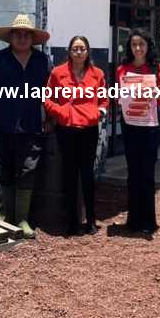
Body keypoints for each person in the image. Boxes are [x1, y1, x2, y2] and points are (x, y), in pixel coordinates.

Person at [0, 14, 51, 239]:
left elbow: (53, 92)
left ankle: (22, 220)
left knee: (28, 171)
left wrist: (51, 119)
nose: (22, 38)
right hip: (3, 127)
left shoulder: (42, 61)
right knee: (6, 171)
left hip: (32, 127)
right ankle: (8, 218)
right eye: (17, 34)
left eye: (26, 35)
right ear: (10, 37)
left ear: (32, 38)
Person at [44, 36, 108, 236]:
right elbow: (47, 98)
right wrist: (62, 113)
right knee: (69, 175)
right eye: (75, 49)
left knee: (88, 175)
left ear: (88, 51)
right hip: (67, 129)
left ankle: (91, 220)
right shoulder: (58, 73)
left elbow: (104, 99)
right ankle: (71, 221)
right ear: (69, 52)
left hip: (89, 129)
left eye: (82, 49)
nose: (79, 52)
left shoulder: (97, 74)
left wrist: (99, 113)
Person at [116, 30, 160, 237]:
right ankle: (133, 219)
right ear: (130, 47)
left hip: (149, 126)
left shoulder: (158, 69)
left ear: (148, 46)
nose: (138, 48)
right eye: (134, 44)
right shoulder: (122, 69)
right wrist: (119, 97)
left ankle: (148, 221)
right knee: (133, 173)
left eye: (142, 44)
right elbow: (117, 96)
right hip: (129, 125)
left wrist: (157, 94)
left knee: (147, 173)